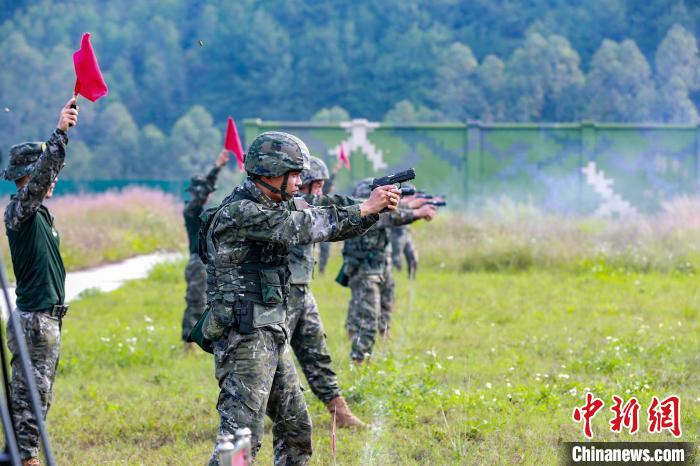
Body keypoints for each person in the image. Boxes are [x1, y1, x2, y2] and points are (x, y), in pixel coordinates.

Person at [200, 132, 399, 465]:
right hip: (245, 340)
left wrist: (369, 209)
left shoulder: (275, 203)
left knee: (295, 430)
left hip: (270, 333)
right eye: (293, 174)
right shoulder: (243, 212)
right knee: (240, 441)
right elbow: (304, 226)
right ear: (270, 172)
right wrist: (365, 208)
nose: (299, 182)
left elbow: (323, 210)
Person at [3, 98, 78, 466]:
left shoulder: (40, 214)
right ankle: (26, 457)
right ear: (28, 176)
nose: (54, 180)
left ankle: (22, 453)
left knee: (39, 394)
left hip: (46, 319)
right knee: (29, 394)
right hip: (34, 319)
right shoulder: (21, 210)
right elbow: (41, 179)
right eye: (46, 174)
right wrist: (60, 132)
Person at [288, 156, 366, 428]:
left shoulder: (308, 204)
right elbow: (327, 206)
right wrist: (367, 205)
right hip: (276, 297)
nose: (320, 191)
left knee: (316, 351)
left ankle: (339, 411)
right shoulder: (289, 207)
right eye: (317, 185)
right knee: (269, 364)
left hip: (301, 292)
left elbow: (329, 207)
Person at [342, 178, 436, 364]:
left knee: (381, 307)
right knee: (368, 320)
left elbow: (394, 214)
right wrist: (417, 212)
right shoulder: (366, 216)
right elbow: (391, 217)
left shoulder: (373, 214)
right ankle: (359, 361)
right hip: (364, 270)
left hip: (377, 267)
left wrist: (413, 207)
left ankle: (366, 353)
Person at [181, 149, 228, 351]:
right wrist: (217, 168)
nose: (208, 196)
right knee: (196, 304)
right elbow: (202, 194)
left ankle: (191, 345)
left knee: (200, 302)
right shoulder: (191, 210)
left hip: (203, 264)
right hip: (197, 264)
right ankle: (189, 346)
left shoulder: (202, 213)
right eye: (205, 193)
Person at [317, 157, 343, 275]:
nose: (333, 187)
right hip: (319, 224)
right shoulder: (322, 194)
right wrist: (335, 170)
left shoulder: (325, 196)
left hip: (322, 224)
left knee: (325, 250)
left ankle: (322, 269)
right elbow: (328, 183)